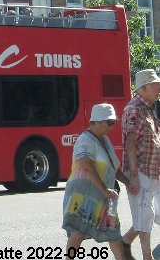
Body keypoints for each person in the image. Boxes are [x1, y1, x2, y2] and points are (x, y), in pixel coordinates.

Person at [62, 103, 129, 260]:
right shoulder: (84, 140)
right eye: (109, 123)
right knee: (78, 233)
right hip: (84, 196)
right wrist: (105, 189)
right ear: (97, 121)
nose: (112, 127)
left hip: (104, 197)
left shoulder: (105, 140)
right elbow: (86, 165)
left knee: (114, 233)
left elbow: (113, 167)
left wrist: (128, 182)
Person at [120, 69, 160, 260]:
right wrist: (133, 175)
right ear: (143, 88)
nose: (158, 88)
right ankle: (147, 256)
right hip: (141, 170)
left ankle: (125, 243)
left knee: (149, 214)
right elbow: (130, 143)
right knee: (145, 215)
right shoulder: (135, 109)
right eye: (155, 85)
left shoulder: (148, 108)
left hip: (152, 170)